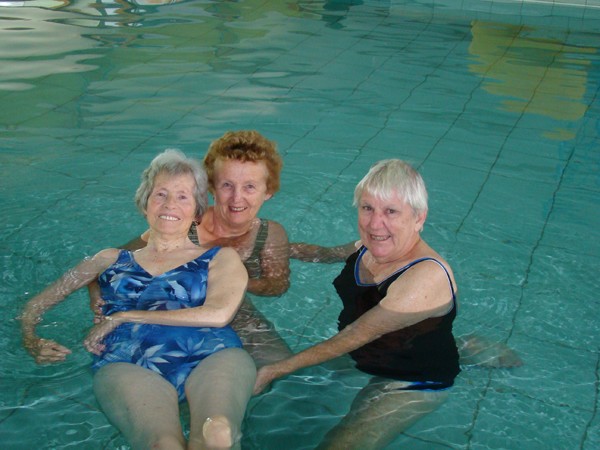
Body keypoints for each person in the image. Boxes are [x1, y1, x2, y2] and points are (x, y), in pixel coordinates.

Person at [21, 149, 256, 450]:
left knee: (218, 433)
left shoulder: (220, 258)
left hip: (212, 353)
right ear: (144, 202)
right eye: (160, 194)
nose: (170, 204)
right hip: (128, 360)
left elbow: (218, 314)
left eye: (183, 196)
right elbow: (35, 306)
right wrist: (32, 340)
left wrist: (124, 316)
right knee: (161, 445)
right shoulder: (108, 259)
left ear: (198, 210)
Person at [253, 159, 462, 450]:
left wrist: (275, 369)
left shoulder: (425, 276)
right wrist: (267, 250)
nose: (375, 224)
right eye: (367, 208)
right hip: (368, 353)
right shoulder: (368, 246)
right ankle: (466, 345)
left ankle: (465, 348)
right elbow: (325, 254)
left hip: (411, 378)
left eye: (391, 211)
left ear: (419, 218)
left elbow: (354, 336)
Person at [90, 130, 293, 368]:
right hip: (171, 313)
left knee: (280, 367)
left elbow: (277, 287)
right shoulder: (181, 225)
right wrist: (97, 298)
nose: (237, 198)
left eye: (250, 187)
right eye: (227, 185)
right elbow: (106, 263)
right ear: (210, 187)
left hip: (238, 314)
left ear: (268, 191)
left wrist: (229, 280)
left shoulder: (270, 234)